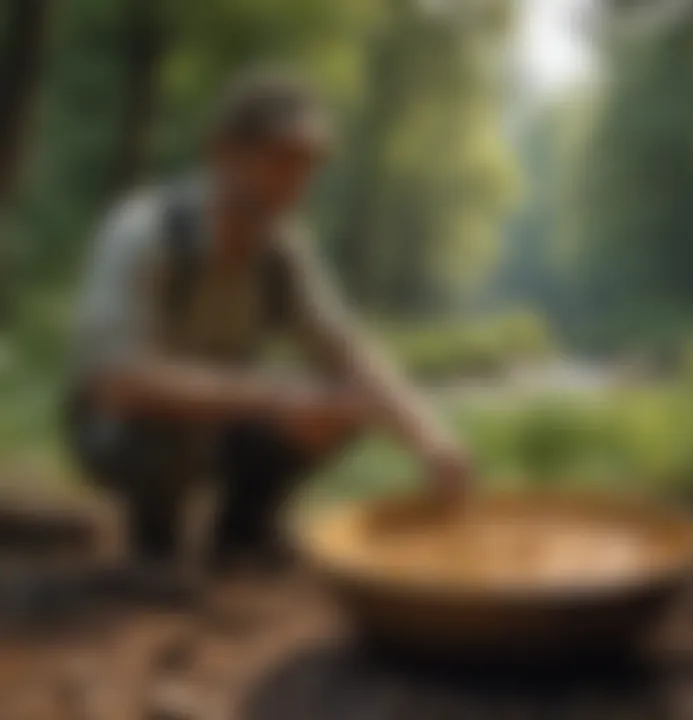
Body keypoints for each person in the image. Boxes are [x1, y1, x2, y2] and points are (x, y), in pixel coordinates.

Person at [68, 69, 473, 569]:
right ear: (223, 153)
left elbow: (348, 352)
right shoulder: (144, 231)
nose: (295, 183)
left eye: (307, 166)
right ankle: (153, 541)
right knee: (170, 418)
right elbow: (116, 379)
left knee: (338, 404)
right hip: (121, 426)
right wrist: (272, 394)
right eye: (280, 160)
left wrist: (432, 439)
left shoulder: (285, 250)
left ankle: (243, 531)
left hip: (225, 415)